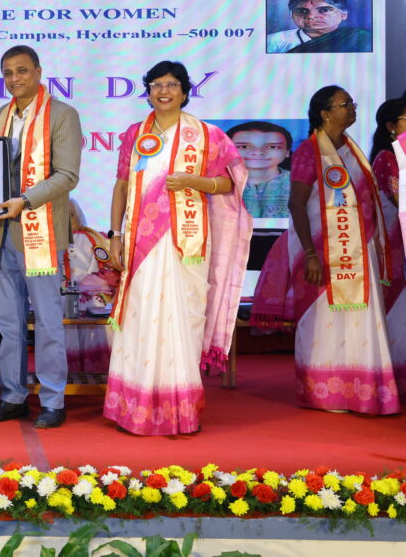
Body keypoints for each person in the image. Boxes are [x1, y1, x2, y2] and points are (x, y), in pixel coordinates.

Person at [104, 60, 251, 436]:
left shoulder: (207, 135)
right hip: (140, 244)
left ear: (185, 92)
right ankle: (135, 408)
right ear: (148, 92)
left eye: (171, 84)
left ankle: (179, 408)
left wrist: (194, 181)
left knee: (183, 319)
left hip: (187, 243)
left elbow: (229, 184)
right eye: (156, 85)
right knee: (139, 318)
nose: (163, 91)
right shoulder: (135, 134)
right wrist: (114, 235)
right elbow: (122, 185)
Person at [252, 86, 399, 415]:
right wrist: (310, 253)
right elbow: (297, 203)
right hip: (321, 250)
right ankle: (326, 392)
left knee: (360, 319)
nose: (352, 107)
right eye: (345, 103)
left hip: (358, 252)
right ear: (325, 113)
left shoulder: (350, 148)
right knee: (325, 322)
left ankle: (360, 390)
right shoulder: (309, 151)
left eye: (352, 102)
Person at [0, 45, 82, 429]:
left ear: (38, 71)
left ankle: (53, 400)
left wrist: (26, 200)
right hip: (3, 232)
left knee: (49, 322)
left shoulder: (63, 115)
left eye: (21, 70)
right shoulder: (1, 115)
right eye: (7, 72)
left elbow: (67, 175)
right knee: (8, 322)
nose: (14, 78)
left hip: (42, 235)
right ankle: (13, 396)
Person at [368, 97, 406, 396]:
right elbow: (397, 199)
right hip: (395, 242)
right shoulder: (386, 157)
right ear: (391, 126)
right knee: (396, 307)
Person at [63, 201, 117, 373]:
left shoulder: (90, 238)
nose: (68, 219)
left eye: (71, 214)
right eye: (63, 215)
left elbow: (97, 268)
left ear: (78, 216)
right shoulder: (54, 242)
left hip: (90, 293)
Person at [266, 0, 372, 54]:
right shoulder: (274, 41)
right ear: (291, 15)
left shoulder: (362, 38)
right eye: (302, 11)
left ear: (343, 14)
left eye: (324, 10)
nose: (310, 16)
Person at [226, 121, 293, 218]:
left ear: (287, 152)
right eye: (244, 146)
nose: (258, 152)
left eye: (272, 147)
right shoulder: (215, 181)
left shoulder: (300, 184)